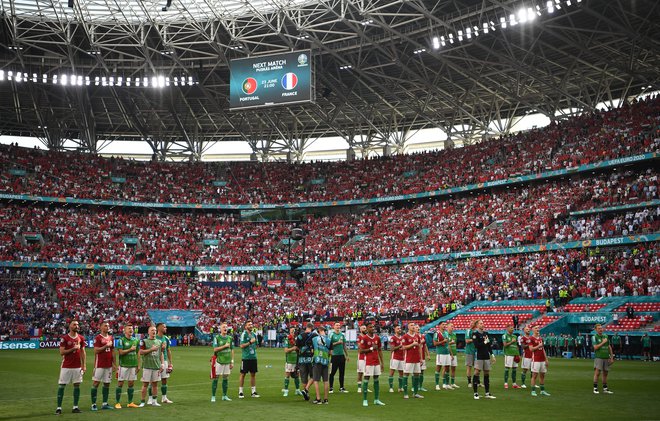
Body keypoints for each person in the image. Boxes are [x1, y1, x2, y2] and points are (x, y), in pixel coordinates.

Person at [55, 320, 87, 415]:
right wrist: (73, 348)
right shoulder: (64, 338)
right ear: (70, 326)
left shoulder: (81, 338)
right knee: (62, 386)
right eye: (74, 324)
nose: (77, 326)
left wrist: (84, 365)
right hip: (66, 366)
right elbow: (62, 352)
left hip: (77, 367)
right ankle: (59, 408)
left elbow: (83, 352)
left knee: (77, 385)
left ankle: (75, 407)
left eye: (77, 324)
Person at [358, 321, 385, 406]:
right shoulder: (365, 338)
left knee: (376, 379)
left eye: (373, 327)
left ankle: (376, 399)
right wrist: (370, 348)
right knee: (366, 379)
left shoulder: (377, 338)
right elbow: (361, 351)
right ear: (367, 329)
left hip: (376, 361)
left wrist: (382, 362)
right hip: (368, 362)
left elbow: (380, 350)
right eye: (370, 327)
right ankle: (365, 400)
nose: (372, 328)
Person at [91, 320, 116, 411]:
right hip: (100, 364)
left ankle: (104, 404)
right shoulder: (97, 338)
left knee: (107, 383)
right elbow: (96, 350)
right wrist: (106, 346)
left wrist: (114, 364)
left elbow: (113, 351)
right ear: (100, 327)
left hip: (108, 365)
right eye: (105, 326)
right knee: (96, 383)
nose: (107, 327)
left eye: (108, 326)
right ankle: (93, 404)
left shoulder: (111, 337)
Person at [115, 325, 140, 409]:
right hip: (123, 365)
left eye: (132, 328)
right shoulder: (121, 340)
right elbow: (121, 352)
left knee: (131, 384)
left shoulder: (136, 340)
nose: (131, 330)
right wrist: (130, 349)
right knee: (120, 383)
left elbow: (138, 353)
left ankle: (130, 402)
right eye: (129, 328)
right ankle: (117, 403)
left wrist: (139, 365)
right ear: (124, 331)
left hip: (133, 365)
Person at [139, 325, 164, 407]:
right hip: (147, 366)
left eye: (155, 330)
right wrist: (151, 350)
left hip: (156, 366)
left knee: (155, 385)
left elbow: (161, 354)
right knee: (145, 384)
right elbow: (141, 352)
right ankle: (142, 401)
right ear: (148, 332)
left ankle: (154, 401)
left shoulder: (159, 342)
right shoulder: (144, 341)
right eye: (152, 330)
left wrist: (162, 364)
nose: (154, 332)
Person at [471, 319, 495, 400]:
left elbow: (488, 345)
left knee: (486, 374)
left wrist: (492, 355)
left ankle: (487, 393)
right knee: (477, 372)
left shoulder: (485, 333)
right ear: (477, 325)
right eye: (480, 323)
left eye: (483, 323)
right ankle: (475, 393)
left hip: (486, 356)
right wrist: (484, 342)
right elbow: (476, 345)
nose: (482, 324)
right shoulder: (475, 334)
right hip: (479, 356)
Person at [211, 322, 234, 402]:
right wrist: (224, 346)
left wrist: (232, 361)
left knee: (226, 378)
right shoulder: (217, 337)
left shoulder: (230, 338)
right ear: (220, 329)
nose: (225, 328)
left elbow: (232, 350)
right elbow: (215, 349)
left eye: (226, 327)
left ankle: (224, 395)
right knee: (216, 378)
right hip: (219, 361)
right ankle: (213, 396)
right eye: (223, 327)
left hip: (227, 361)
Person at [401, 323, 423, 399]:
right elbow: (403, 347)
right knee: (406, 375)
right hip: (408, 359)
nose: (413, 327)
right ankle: (405, 393)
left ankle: (415, 393)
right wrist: (412, 344)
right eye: (411, 325)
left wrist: (421, 358)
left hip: (416, 359)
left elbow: (419, 347)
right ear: (408, 327)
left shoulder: (417, 336)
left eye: (414, 325)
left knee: (417, 375)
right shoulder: (405, 336)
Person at [238, 320, 260, 398]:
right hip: (246, 357)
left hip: (253, 357)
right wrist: (250, 342)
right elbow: (241, 345)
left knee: (253, 374)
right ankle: (240, 392)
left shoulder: (254, 334)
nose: (251, 326)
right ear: (246, 326)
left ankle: (253, 392)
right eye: (249, 325)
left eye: (251, 324)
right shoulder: (244, 334)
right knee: (243, 374)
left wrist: (255, 345)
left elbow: (257, 345)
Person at [296, 322, 317, 401]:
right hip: (311, 359)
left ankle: (306, 394)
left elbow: (296, 347)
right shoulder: (314, 335)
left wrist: (302, 351)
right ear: (312, 328)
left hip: (301, 359)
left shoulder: (300, 336)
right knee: (314, 375)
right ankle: (306, 390)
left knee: (304, 378)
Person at [592, 324, 614, 394]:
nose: (601, 329)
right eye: (599, 328)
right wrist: (603, 342)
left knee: (605, 374)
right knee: (597, 373)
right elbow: (595, 347)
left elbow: (609, 347)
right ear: (596, 330)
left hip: (606, 357)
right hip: (599, 357)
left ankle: (605, 389)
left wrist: (611, 357)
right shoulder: (594, 337)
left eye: (601, 328)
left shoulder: (606, 336)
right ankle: (595, 388)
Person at [311, 325, 330, 404]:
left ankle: (318, 399)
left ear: (318, 330)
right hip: (325, 361)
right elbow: (331, 352)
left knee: (316, 380)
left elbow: (312, 351)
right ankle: (325, 399)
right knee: (326, 381)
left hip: (317, 361)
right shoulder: (329, 340)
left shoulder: (314, 339)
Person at [529, 326, 550, 397]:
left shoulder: (541, 338)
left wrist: (546, 359)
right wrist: (538, 345)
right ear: (532, 330)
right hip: (536, 360)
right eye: (536, 328)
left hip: (542, 360)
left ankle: (542, 390)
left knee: (542, 375)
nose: (538, 329)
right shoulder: (531, 338)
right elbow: (531, 349)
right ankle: (533, 391)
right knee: (534, 375)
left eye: (538, 328)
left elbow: (543, 349)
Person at [328, 322, 349, 393]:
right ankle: (331, 388)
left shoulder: (342, 335)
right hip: (334, 356)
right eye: (336, 325)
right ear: (333, 326)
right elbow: (329, 345)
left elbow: (344, 346)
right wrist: (337, 343)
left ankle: (341, 387)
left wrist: (347, 355)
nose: (338, 326)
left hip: (341, 356)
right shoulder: (331, 335)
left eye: (339, 325)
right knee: (332, 373)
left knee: (342, 372)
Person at [155, 323, 173, 404]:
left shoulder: (165, 338)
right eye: (164, 327)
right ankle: (151, 398)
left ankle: (164, 398)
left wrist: (170, 363)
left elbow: (168, 351)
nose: (166, 328)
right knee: (153, 380)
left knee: (164, 379)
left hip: (164, 360)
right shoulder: (154, 338)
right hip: (155, 360)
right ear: (159, 328)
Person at [282, 326, 301, 397]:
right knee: (287, 375)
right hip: (289, 360)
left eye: (294, 331)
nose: (293, 333)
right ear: (289, 332)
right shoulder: (287, 339)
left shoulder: (297, 339)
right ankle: (286, 390)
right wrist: (293, 348)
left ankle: (297, 390)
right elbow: (286, 350)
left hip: (297, 360)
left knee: (297, 375)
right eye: (292, 331)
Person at [433, 322, 451, 390]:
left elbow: (448, 343)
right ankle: (437, 385)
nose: (444, 326)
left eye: (445, 324)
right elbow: (434, 343)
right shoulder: (437, 333)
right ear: (439, 326)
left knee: (447, 368)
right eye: (443, 324)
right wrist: (443, 341)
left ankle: (444, 384)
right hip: (440, 353)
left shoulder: (446, 333)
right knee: (439, 368)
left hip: (447, 353)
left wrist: (450, 353)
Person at [388, 325, 405, 393]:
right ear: (395, 330)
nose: (399, 329)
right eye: (398, 328)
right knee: (392, 372)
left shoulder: (403, 338)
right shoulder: (393, 338)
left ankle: (400, 387)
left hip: (402, 358)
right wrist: (400, 346)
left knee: (401, 373)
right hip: (395, 357)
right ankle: (391, 388)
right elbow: (392, 348)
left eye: (400, 328)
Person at [502, 325, 520, 389]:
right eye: (511, 328)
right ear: (507, 328)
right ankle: (505, 383)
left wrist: (518, 354)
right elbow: (505, 345)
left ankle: (514, 384)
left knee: (514, 369)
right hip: (508, 354)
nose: (513, 329)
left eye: (513, 328)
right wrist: (512, 341)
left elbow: (516, 346)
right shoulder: (505, 336)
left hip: (515, 354)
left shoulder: (515, 336)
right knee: (507, 369)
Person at [416, 324, 430, 392]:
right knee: (415, 372)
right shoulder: (414, 337)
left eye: (418, 327)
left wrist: (428, 354)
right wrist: (420, 342)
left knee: (422, 372)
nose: (418, 328)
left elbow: (425, 346)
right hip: (415, 357)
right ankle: (414, 386)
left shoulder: (423, 336)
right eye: (416, 327)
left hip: (423, 357)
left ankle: (420, 386)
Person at [465, 319, 478, 387]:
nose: (471, 324)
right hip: (469, 351)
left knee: (477, 368)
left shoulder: (477, 331)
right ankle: (469, 382)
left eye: (472, 323)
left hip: (477, 351)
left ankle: (476, 382)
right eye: (470, 323)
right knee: (469, 367)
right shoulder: (468, 331)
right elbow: (467, 340)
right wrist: (474, 340)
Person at [447, 323, 459, 389]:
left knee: (453, 368)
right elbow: (445, 344)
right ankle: (446, 383)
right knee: (446, 369)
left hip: (454, 353)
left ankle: (452, 383)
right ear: (447, 327)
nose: (452, 327)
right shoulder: (446, 334)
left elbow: (455, 342)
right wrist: (450, 343)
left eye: (453, 326)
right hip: (448, 354)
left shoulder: (454, 334)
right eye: (451, 326)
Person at [356, 324, 368, 393]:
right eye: (363, 328)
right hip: (361, 357)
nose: (365, 329)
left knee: (367, 373)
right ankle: (359, 388)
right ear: (360, 330)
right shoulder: (359, 337)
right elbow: (360, 346)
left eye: (365, 328)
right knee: (360, 373)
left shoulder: (367, 337)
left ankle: (365, 387)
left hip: (368, 357)